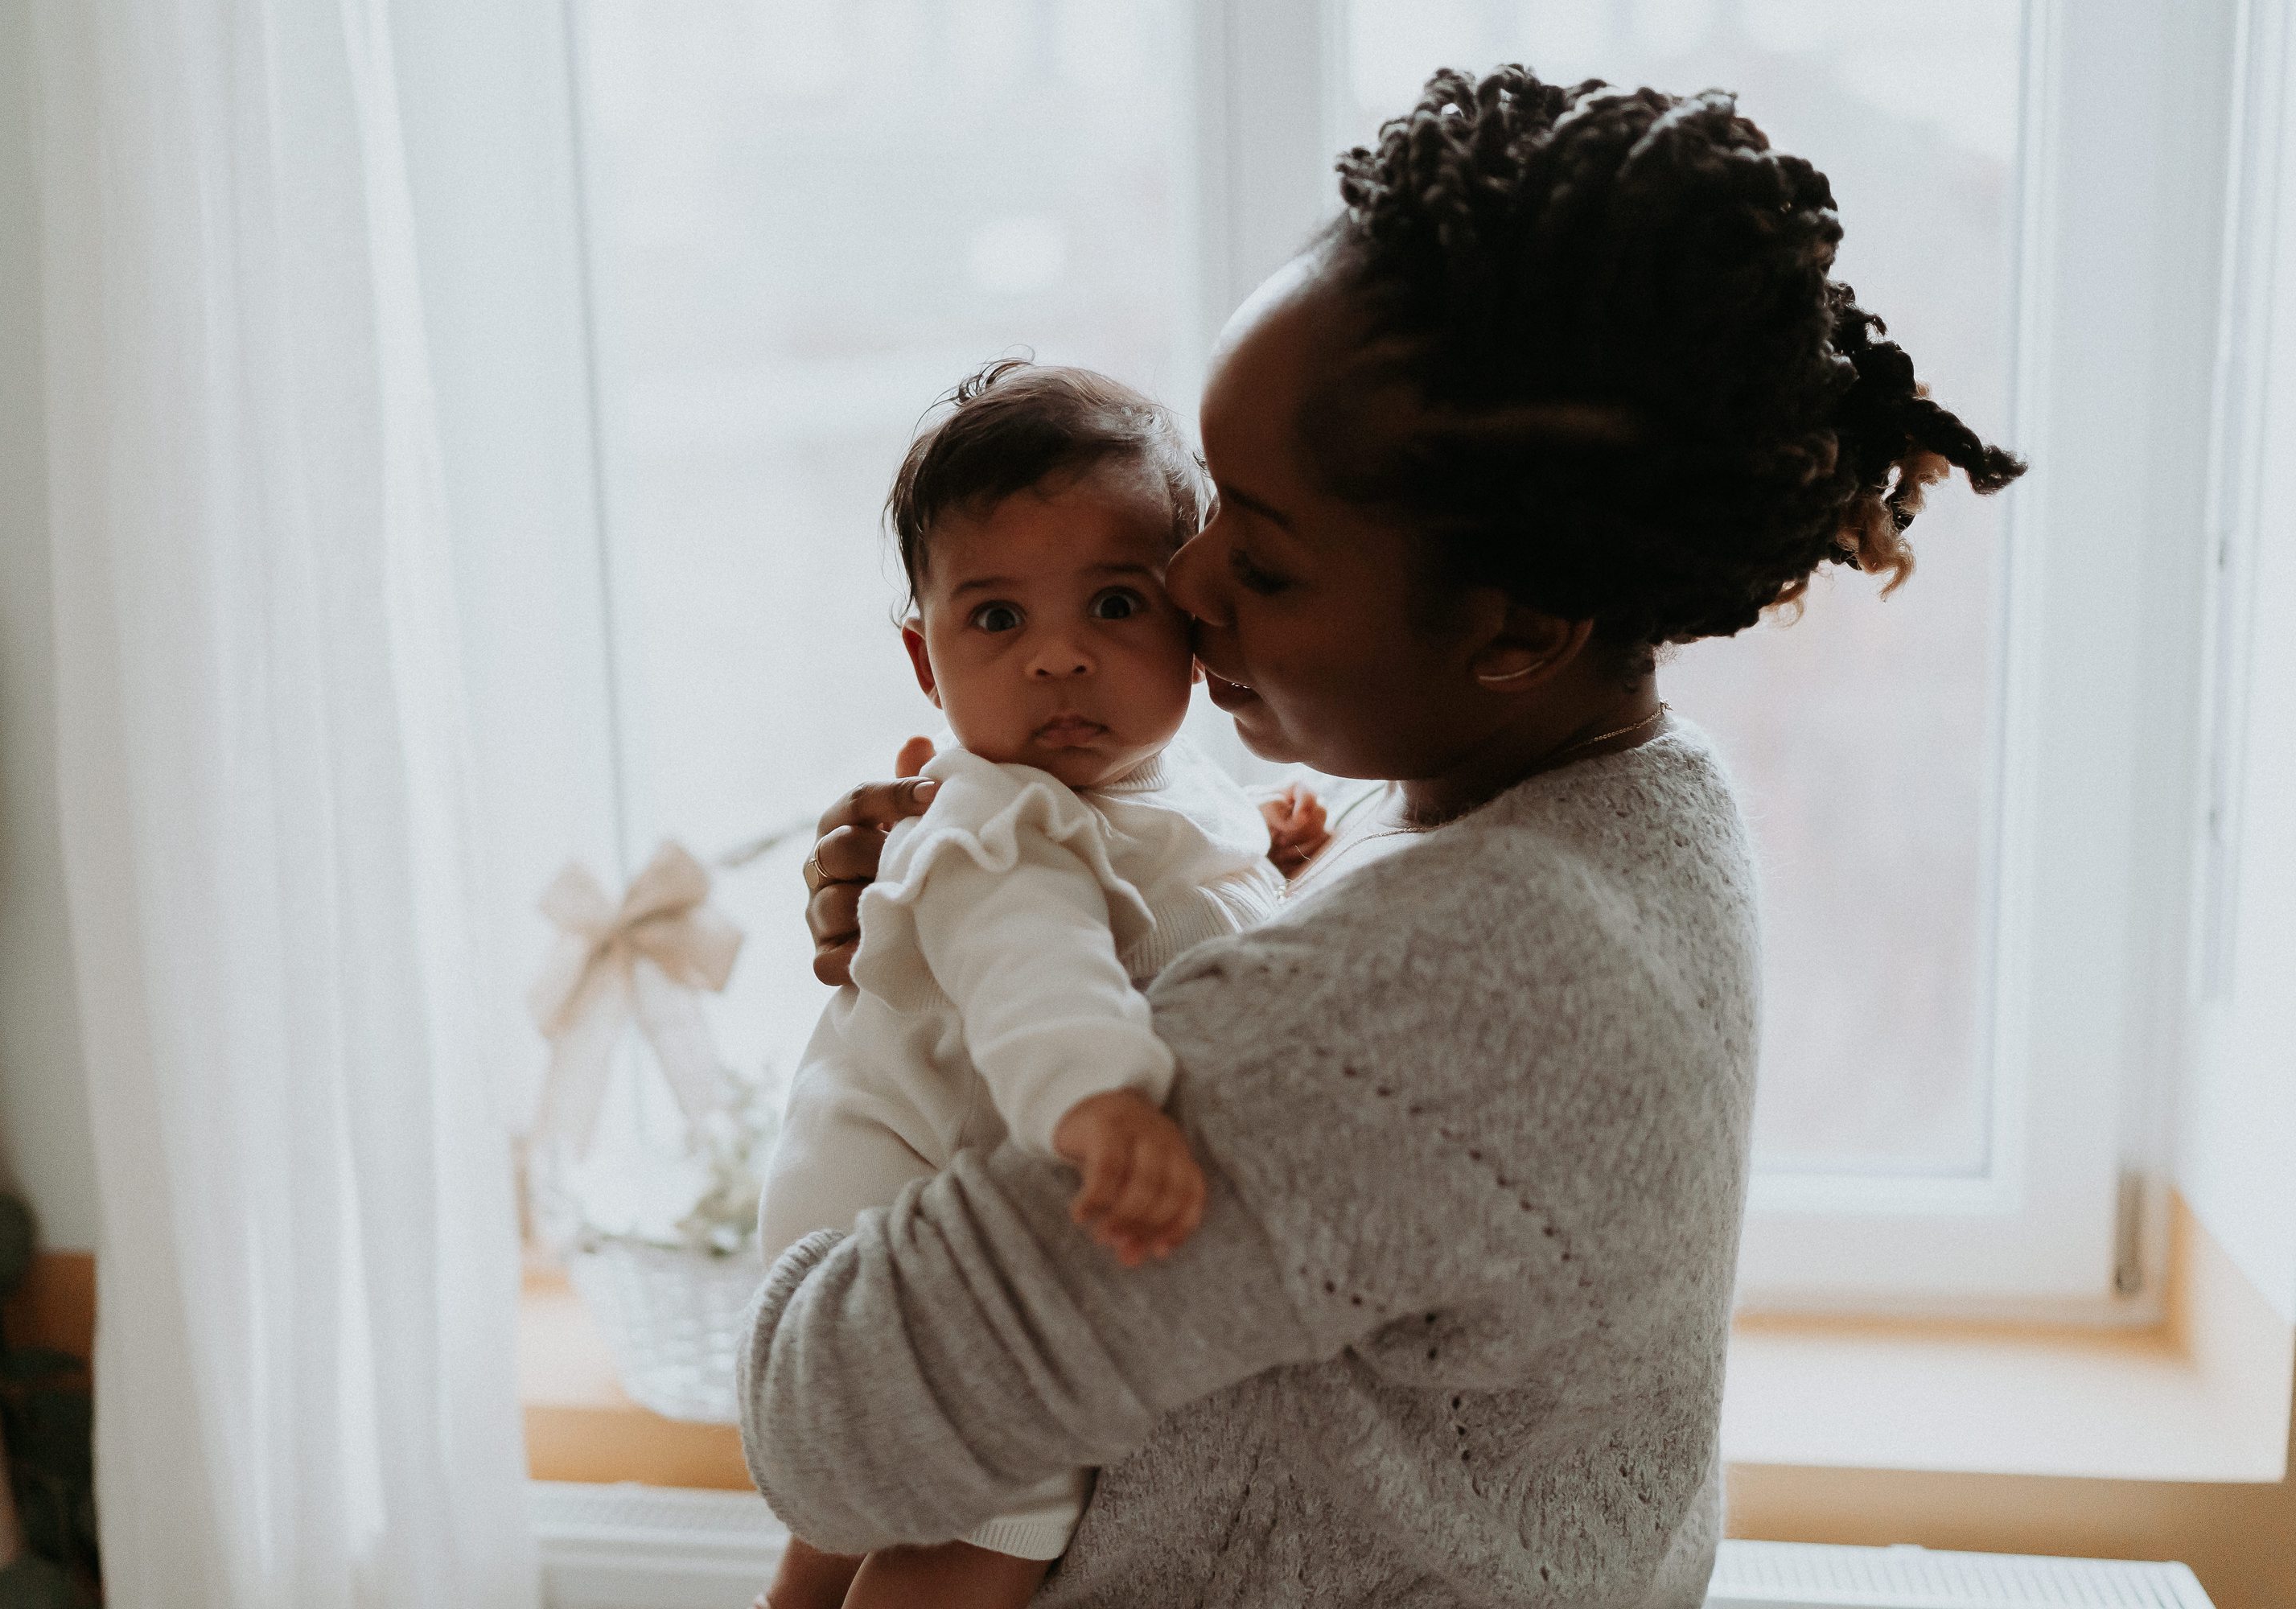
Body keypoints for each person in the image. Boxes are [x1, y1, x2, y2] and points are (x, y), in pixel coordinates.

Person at [744, 67, 2023, 1607]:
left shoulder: (1436, 997)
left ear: (1517, 628)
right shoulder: (1627, 807)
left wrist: (910, 1063)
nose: (1188, 583)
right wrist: (964, 881)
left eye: (1265, 562)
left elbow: (825, 1430)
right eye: (1209, 505)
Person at [754, 361, 1302, 1609]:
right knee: (993, 1523)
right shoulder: (992, 819)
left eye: (1115, 604)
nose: (1059, 659)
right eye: (998, 619)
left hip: (883, 1234)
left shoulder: (1153, 787)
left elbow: (1178, 883)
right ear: (923, 659)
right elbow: (1033, 967)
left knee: (837, 1541)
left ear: (1192, 621)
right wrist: (1101, 1102)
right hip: (893, 1239)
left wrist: (1280, 856)